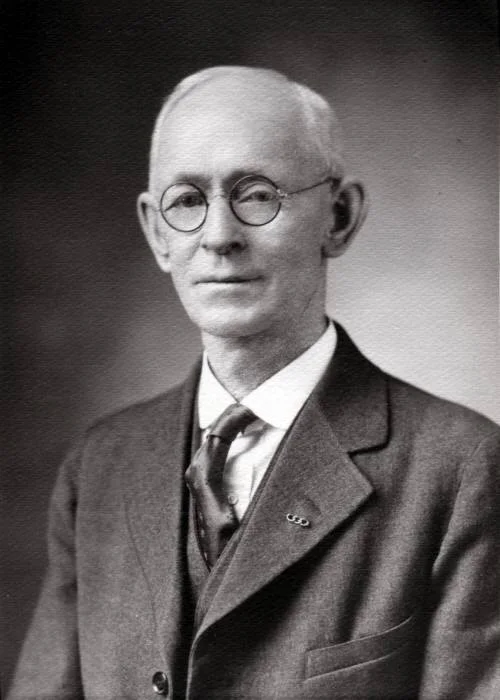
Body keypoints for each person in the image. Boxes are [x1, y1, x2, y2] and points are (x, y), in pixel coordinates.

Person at [8, 66, 500, 700]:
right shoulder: (100, 466)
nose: (219, 237)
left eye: (258, 194)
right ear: (156, 232)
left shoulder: (461, 469)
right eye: (187, 201)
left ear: (339, 217)